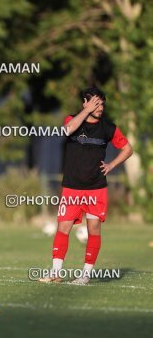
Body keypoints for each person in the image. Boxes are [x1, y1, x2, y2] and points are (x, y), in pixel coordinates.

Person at [39, 87, 133, 285]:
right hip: (72, 186)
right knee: (62, 228)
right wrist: (85, 111)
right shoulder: (71, 119)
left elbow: (127, 148)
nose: (100, 108)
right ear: (85, 103)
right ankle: (55, 273)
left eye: (102, 104)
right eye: (96, 104)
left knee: (94, 230)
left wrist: (112, 165)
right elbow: (67, 130)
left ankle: (85, 275)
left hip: (96, 187)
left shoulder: (108, 128)